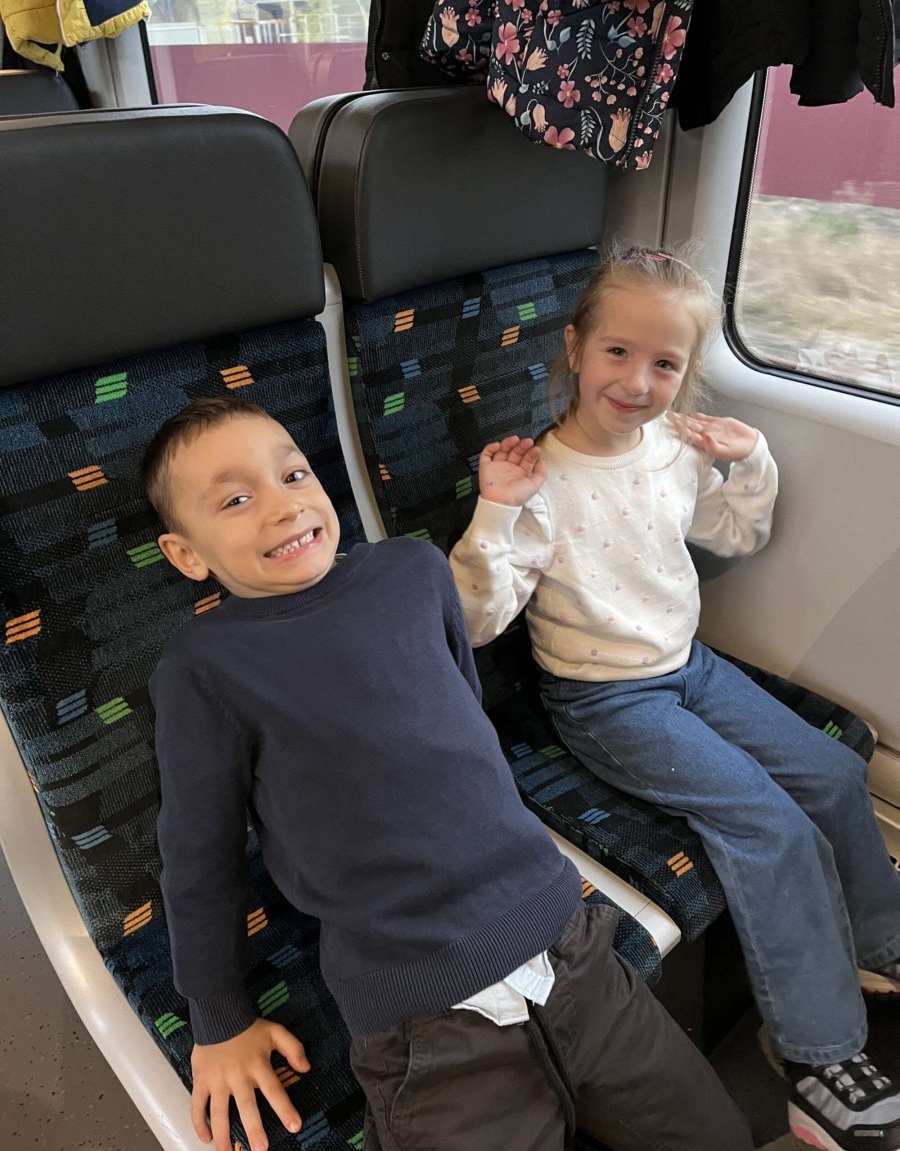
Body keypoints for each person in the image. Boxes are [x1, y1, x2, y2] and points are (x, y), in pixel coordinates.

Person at [143, 395, 754, 1151]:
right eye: (235, 500)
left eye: (293, 474)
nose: (283, 505)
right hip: (424, 1019)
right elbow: (198, 855)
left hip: (569, 945)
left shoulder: (412, 569)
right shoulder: (203, 668)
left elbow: (463, 714)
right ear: (186, 555)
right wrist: (218, 1019)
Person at [449, 248, 900, 1151]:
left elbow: (735, 535)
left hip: (689, 665)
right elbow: (476, 621)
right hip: (605, 699)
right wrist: (495, 510)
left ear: (686, 374)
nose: (637, 382)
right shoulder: (540, 482)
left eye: (665, 364)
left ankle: (880, 942)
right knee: (767, 824)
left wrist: (751, 459)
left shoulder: (673, 450)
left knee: (830, 770)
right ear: (574, 349)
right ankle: (816, 1053)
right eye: (617, 353)